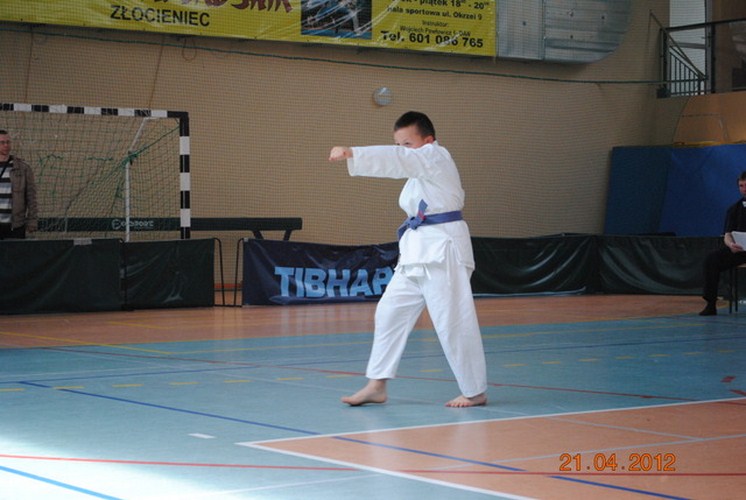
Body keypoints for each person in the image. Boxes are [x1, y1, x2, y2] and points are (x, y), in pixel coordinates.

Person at [328, 111, 488, 407]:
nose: (403, 150)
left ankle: (474, 390)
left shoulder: (436, 157)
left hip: (442, 250)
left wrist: (353, 152)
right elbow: (403, 160)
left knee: (452, 321)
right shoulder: (419, 175)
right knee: (389, 312)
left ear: (428, 140)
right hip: (416, 252)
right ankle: (377, 384)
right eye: (398, 144)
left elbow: (399, 160)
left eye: (408, 143)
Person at [699, 170, 746, 316]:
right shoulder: (734, 209)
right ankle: (710, 303)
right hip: (740, 249)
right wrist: (731, 245)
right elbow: (727, 234)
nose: (744, 189)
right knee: (711, 259)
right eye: (741, 186)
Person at [0, 129, 38, 240]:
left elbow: (31, 197)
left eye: (8, 142)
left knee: (15, 251)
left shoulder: (22, 168)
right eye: (2, 142)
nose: (6, 145)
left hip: (15, 226)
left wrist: (32, 220)